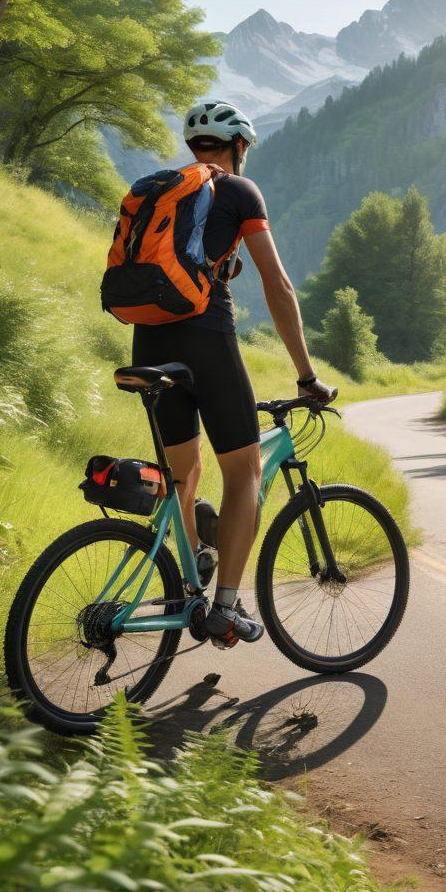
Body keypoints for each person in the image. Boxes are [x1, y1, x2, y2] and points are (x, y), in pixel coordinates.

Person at [130, 100, 336, 649]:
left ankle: (191, 583)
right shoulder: (240, 192)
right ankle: (223, 608)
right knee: (243, 473)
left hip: (148, 340)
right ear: (239, 145)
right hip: (206, 340)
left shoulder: (159, 189)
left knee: (183, 475)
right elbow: (277, 284)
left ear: (194, 146)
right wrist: (306, 374)